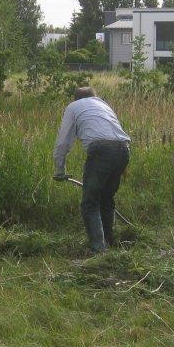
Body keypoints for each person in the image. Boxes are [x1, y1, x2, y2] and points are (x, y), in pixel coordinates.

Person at [53, 87, 131, 253]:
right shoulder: (103, 105)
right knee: (107, 200)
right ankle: (109, 243)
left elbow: (63, 142)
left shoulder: (73, 107)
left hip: (101, 151)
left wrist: (59, 170)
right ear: (95, 96)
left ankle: (98, 249)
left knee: (90, 203)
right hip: (123, 149)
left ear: (76, 99)